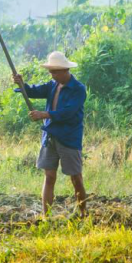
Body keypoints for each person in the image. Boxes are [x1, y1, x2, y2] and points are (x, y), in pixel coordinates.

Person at [12, 51, 88, 219]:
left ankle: (84, 213)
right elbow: (33, 91)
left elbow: (68, 112)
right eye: (51, 71)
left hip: (69, 138)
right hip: (50, 136)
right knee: (49, 176)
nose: (52, 75)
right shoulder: (52, 85)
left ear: (65, 70)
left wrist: (44, 115)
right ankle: (47, 217)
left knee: (76, 178)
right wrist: (22, 85)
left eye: (55, 71)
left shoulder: (78, 89)